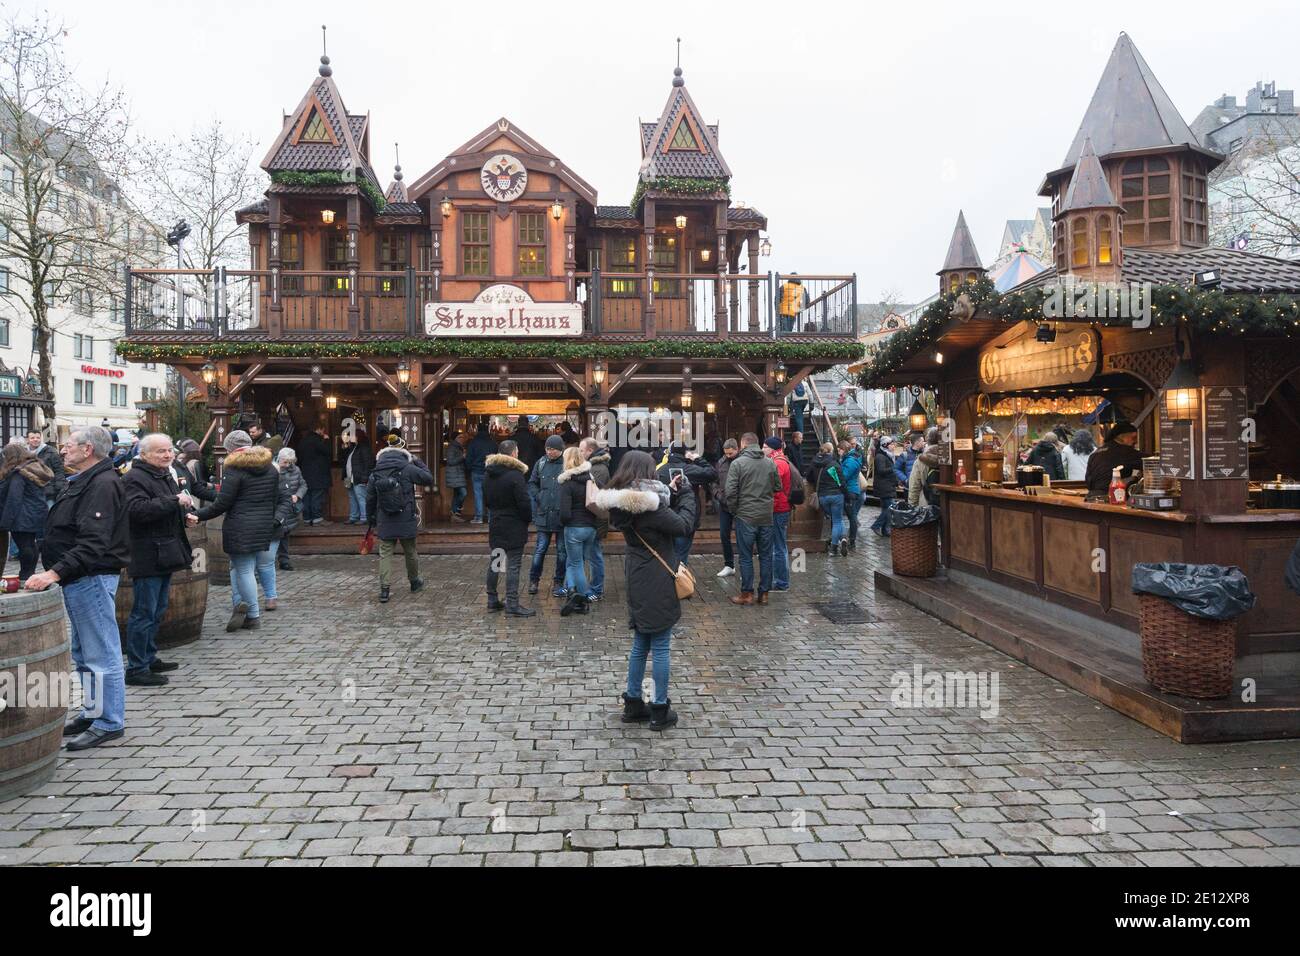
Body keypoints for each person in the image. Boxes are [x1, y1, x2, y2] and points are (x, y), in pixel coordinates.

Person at [25, 425, 129, 752]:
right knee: (85, 652)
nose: (63, 450)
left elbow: (93, 542)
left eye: (69, 445)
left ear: (88, 450)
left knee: (101, 652)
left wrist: (53, 573)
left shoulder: (102, 483)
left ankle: (109, 721)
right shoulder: (87, 479)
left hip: (91, 578)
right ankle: (93, 712)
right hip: (81, 579)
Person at [592, 450, 696, 731]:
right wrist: (686, 496)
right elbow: (683, 526)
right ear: (645, 473)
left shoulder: (623, 504)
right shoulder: (652, 508)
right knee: (661, 645)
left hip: (636, 575)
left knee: (640, 643)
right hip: (658, 577)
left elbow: (656, 512)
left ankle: (633, 703)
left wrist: (670, 493)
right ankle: (660, 709)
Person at [192, 430, 287, 631]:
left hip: (240, 526)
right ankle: (241, 605)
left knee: (243, 569)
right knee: (243, 568)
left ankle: (252, 615)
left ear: (229, 449)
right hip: (263, 525)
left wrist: (197, 515)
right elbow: (276, 498)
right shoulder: (270, 468)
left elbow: (222, 504)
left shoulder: (234, 469)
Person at [121, 433, 195, 687]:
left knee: (157, 610)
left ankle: (149, 657)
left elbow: (167, 506)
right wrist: (174, 501)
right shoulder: (134, 478)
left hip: (164, 551)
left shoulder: (163, 474)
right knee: (143, 612)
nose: (167, 455)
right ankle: (136, 668)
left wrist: (184, 515)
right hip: (146, 553)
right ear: (144, 455)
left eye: (168, 450)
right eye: (160, 451)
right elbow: (137, 511)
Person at [366, 440, 433, 603]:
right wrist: (417, 460)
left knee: (385, 554)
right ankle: (414, 581)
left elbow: (370, 498)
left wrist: (371, 519)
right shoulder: (407, 468)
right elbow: (428, 478)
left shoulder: (375, 472)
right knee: (410, 551)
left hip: (384, 518)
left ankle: (384, 589)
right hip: (406, 517)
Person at [724, 432, 781, 605]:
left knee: (746, 556)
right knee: (765, 556)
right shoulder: (770, 463)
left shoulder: (738, 464)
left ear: (742, 445)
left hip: (745, 516)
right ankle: (764, 593)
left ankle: (747, 593)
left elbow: (730, 491)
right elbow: (777, 486)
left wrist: (735, 510)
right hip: (765, 516)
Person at [483, 439, 534, 617]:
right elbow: (524, 503)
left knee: (496, 562)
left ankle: (491, 599)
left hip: (496, 522)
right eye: (517, 451)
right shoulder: (515, 475)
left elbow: (486, 501)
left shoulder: (488, 474)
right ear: (513, 454)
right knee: (513, 565)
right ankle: (512, 603)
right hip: (514, 524)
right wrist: (528, 519)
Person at [0, 441, 54, 582]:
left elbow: (14, 498)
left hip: (22, 515)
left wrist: (5, 522)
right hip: (35, 512)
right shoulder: (33, 467)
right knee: (30, 544)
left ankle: (25, 574)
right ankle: (29, 573)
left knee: (25, 546)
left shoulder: (19, 473)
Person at [655, 443, 715, 567]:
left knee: (667, 554)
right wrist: (698, 459)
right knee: (681, 556)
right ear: (684, 453)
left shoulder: (661, 470)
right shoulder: (689, 469)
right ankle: (679, 582)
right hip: (687, 517)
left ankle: (668, 581)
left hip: (666, 517)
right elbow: (712, 473)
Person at [557, 445, 597, 616]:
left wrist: (563, 521)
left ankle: (582, 601)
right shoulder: (591, 478)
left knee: (575, 564)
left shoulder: (567, 483)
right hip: (591, 527)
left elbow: (565, 513)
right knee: (580, 563)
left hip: (574, 528)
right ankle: (573, 594)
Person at [528, 434, 568, 597]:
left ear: (560, 450)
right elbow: (532, 483)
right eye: (547, 448)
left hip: (561, 516)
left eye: (552, 449)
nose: (549, 452)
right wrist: (539, 497)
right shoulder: (541, 462)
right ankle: (533, 580)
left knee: (561, 551)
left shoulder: (567, 464)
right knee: (540, 549)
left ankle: (558, 581)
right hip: (544, 514)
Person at [580, 437, 610, 601]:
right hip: (593, 518)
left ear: (590, 451)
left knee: (594, 555)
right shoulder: (594, 466)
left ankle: (597, 589)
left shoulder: (597, 469)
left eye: (582, 450)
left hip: (595, 518)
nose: (580, 453)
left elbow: (593, 495)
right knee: (592, 554)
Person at [1085, 421, 1145, 498]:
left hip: (1091, 496)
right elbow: (1152, 462)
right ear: (1120, 437)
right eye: (1133, 438)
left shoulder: (1096, 453)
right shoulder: (1125, 452)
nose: (1136, 442)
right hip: (1112, 497)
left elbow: (1088, 480)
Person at [764, 437, 794, 591]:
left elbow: (774, 485)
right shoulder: (779, 460)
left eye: (765, 447)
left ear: (772, 448)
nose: (763, 449)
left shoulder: (778, 463)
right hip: (779, 507)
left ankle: (782, 582)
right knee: (778, 545)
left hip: (779, 508)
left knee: (779, 547)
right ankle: (779, 580)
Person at [809, 442, 848, 555]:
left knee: (836, 519)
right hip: (836, 495)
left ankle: (843, 538)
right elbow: (841, 483)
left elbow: (809, 477)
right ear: (830, 451)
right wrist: (847, 496)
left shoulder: (814, 462)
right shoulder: (833, 465)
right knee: (837, 521)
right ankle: (834, 548)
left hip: (822, 497)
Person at [273, 447, 307, 574]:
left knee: (286, 534)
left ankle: (284, 560)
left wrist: (297, 495)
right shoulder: (272, 470)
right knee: (277, 533)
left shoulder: (296, 470)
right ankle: (272, 560)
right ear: (279, 459)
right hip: (278, 507)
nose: (287, 465)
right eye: (285, 462)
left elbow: (303, 485)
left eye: (289, 462)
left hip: (291, 508)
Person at [714, 438, 740, 578]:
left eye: (731, 453)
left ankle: (744, 565)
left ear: (737, 449)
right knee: (724, 535)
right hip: (724, 505)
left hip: (740, 505)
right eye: (726, 453)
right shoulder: (721, 462)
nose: (728, 456)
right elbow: (714, 481)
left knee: (742, 537)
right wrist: (717, 494)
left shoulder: (742, 462)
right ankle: (729, 564)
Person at [297, 427, 332, 525]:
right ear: (319, 429)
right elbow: (328, 451)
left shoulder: (303, 441)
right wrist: (327, 440)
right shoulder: (317, 441)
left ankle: (307, 519)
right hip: (318, 474)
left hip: (305, 473)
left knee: (307, 496)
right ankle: (317, 518)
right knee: (317, 496)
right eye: (323, 430)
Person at [465, 423, 496, 524]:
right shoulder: (492, 442)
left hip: (476, 471)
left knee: (478, 494)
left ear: (478, 430)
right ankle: (491, 517)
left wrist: (469, 469)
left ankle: (479, 518)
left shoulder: (473, 443)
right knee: (490, 494)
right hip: (490, 472)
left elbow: (468, 458)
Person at [343, 430, 374, 525]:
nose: (350, 438)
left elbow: (368, 464)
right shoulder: (353, 447)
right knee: (352, 497)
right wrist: (345, 446)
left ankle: (364, 517)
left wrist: (365, 478)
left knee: (361, 497)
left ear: (358, 436)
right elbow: (343, 459)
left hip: (358, 477)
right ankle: (353, 516)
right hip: (349, 477)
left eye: (352, 436)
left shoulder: (364, 448)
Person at [839, 438, 864, 551]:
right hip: (851, 490)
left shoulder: (850, 461)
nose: (838, 452)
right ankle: (851, 540)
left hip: (850, 491)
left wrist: (835, 472)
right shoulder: (850, 459)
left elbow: (844, 476)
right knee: (851, 516)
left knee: (852, 516)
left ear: (843, 449)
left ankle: (852, 541)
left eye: (839, 450)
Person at [26, 429, 66, 502]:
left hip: (48, 491)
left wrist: (59, 488)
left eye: (38, 438)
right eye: (32, 438)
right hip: (30, 491)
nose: (35, 440)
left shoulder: (51, 451)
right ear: (27, 440)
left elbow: (59, 470)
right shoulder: (24, 453)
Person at [871, 436, 899, 538]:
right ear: (885, 445)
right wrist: (893, 468)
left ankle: (886, 530)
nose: (893, 446)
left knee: (885, 508)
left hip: (888, 484)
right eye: (891, 444)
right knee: (890, 508)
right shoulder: (880, 456)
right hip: (884, 486)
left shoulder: (888, 455)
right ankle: (876, 525)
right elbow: (881, 470)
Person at [907, 435, 943, 509]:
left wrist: (912, 507)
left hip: (927, 504)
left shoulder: (920, 460)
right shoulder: (950, 457)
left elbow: (914, 486)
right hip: (948, 503)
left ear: (928, 442)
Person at [176, 438, 217, 502]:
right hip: (196, 497)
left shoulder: (182, 463)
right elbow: (199, 482)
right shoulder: (195, 463)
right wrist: (213, 486)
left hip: (185, 495)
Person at [444, 431, 469, 521]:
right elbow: (450, 461)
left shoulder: (458, 447)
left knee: (457, 494)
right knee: (463, 493)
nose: (463, 439)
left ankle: (454, 515)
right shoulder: (452, 448)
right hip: (455, 474)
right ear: (456, 439)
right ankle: (456, 511)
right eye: (461, 437)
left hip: (458, 474)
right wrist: (463, 457)